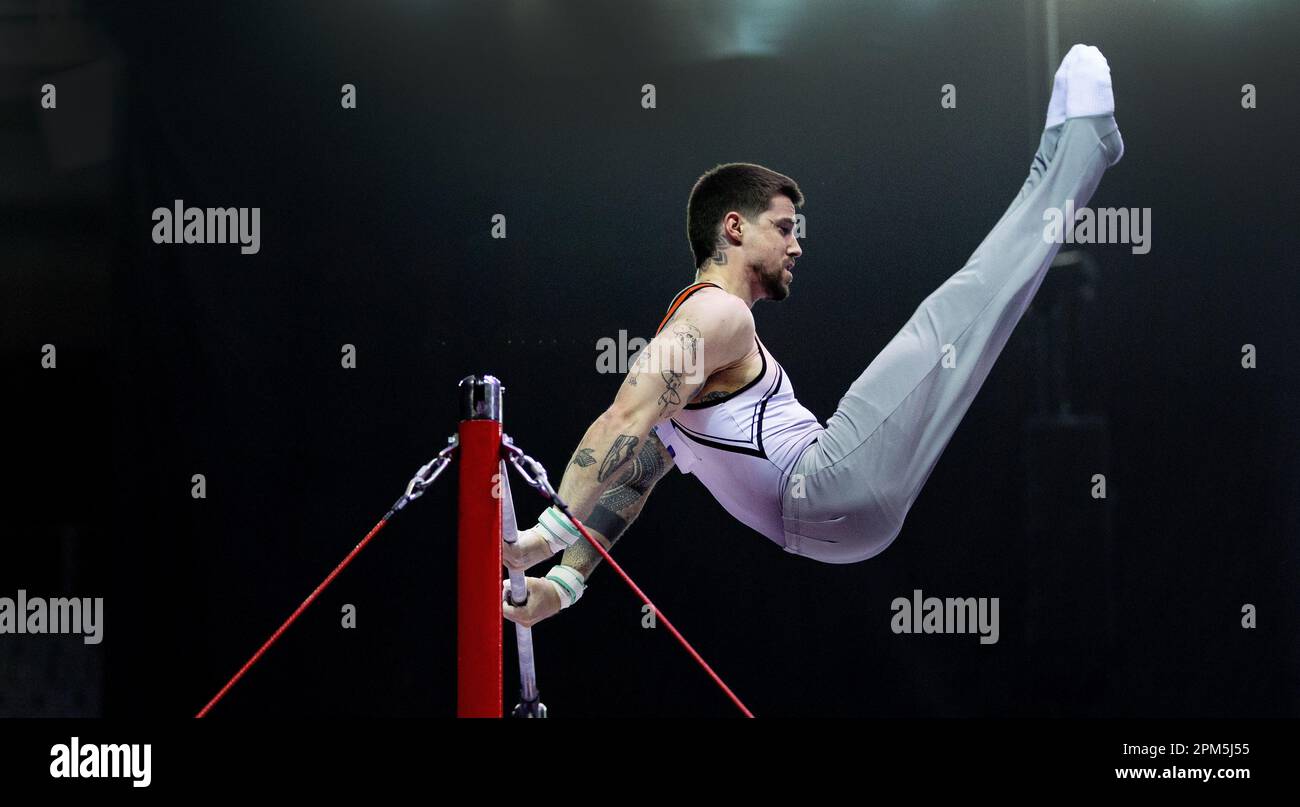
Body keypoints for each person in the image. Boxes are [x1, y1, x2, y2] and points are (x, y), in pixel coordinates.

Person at [504, 44, 1125, 626]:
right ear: (735, 229)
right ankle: (1081, 146)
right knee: (957, 311)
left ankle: (1069, 156)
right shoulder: (718, 316)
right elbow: (619, 424)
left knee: (966, 330)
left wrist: (564, 585)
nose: (797, 244)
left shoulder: (699, 347)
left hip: (829, 527)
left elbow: (632, 480)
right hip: (830, 489)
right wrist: (549, 535)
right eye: (784, 227)